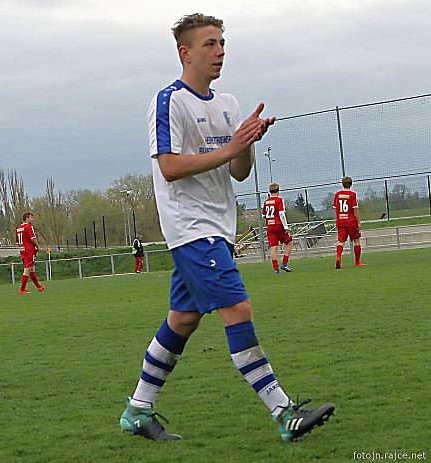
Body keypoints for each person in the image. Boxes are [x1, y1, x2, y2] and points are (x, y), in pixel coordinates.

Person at [119, 13, 334, 442]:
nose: (220, 51)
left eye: (222, 42)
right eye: (210, 44)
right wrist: (232, 145)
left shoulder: (229, 103)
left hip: (219, 227)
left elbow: (238, 172)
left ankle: (138, 410)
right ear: (185, 53)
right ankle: (283, 411)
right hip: (190, 227)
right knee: (238, 309)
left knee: (182, 319)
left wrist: (246, 144)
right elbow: (170, 167)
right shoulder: (169, 101)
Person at [333, 176, 365, 269]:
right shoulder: (352, 195)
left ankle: (338, 258)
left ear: (342, 184)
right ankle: (357, 262)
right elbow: (355, 209)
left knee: (341, 241)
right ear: (351, 184)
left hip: (341, 221)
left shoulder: (337, 194)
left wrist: (339, 218)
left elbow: (336, 208)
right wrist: (358, 222)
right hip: (351, 221)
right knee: (356, 240)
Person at [262, 183, 293, 273]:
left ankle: (276, 268)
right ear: (278, 191)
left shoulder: (266, 201)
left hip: (270, 227)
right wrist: (286, 227)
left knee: (273, 247)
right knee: (289, 242)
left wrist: (270, 219)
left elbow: (263, 215)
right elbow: (281, 214)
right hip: (279, 226)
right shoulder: (279, 200)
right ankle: (284, 264)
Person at [16, 212, 45, 294]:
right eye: (31, 217)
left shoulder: (19, 228)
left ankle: (39, 287)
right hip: (29, 250)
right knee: (27, 270)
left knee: (31, 269)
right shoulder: (29, 226)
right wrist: (37, 246)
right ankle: (22, 289)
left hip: (22, 250)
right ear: (27, 218)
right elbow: (32, 238)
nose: (32, 219)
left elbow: (17, 240)